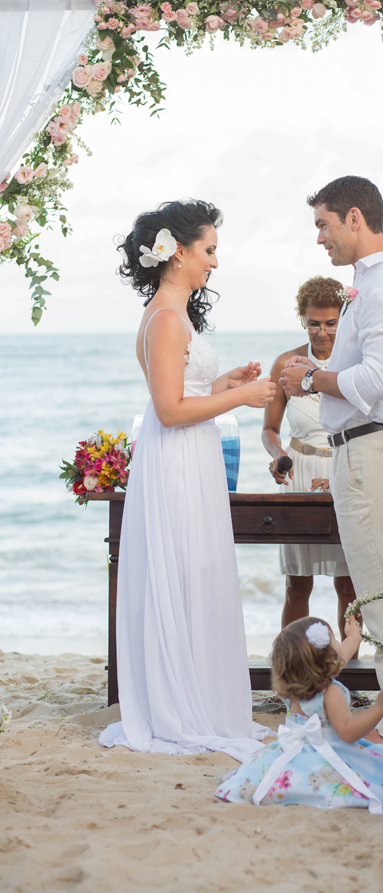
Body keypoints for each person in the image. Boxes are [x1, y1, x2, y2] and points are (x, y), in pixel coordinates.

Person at [98, 199, 276, 760]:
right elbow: (171, 410)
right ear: (177, 252)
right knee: (184, 568)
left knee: (196, 570)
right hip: (176, 458)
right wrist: (243, 398)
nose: (214, 262)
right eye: (209, 250)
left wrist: (225, 383)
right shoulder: (167, 320)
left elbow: (186, 393)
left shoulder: (171, 315)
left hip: (189, 455)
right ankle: (181, 704)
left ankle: (202, 695)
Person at [281, 176, 383, 744]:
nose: (319, 238)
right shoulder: (375, 283)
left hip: (373, 448)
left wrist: (310, 378)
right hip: (378, 446)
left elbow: (379, 378)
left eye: (323, 224)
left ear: (353, 217)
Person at [215, 616, 383, 810]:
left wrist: (353, 637)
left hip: (293, 751)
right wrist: (379, 707)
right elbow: (348, 732)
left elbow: (337, 658)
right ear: (326, 658)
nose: (338, 644)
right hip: (329, 752)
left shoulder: (292, 687)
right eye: (334, 639)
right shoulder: (331, 693)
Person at [262, 276, 356, 640]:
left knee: (348, 585)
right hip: (299, 474)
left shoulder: (354, 363)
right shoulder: (285, 364)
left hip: (344, 471)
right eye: (314, 323)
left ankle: (348, 663)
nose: (322, 332)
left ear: (343, 319)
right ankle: (292, 664)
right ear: (302, 318)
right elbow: (270, 429)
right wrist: (278, 456)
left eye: (331, 323)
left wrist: (342, 476)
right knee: (297, 585)